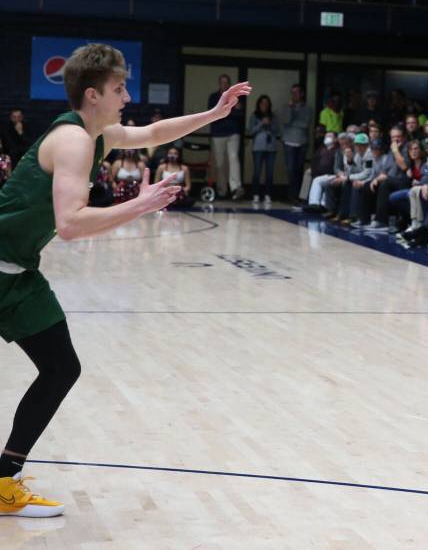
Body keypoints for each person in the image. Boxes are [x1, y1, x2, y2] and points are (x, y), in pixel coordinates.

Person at [0, 43, 249, 516]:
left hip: (18, 273)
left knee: (60, 369)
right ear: (92, 95)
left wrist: (214, 113)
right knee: (59, 370)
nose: (127, 96)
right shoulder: (74, 140)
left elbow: (154, 131)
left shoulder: (99, 134)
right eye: (119, 88)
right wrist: (141, 204)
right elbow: (70, 224)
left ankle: (2, 481)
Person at [207, 74, 246, 200]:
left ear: (229, 84)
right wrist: (230, 111)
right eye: (222, 82)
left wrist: (226, 112)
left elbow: (240, 115)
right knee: (219, 163)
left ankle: (236, 188)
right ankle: (222, 190)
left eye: (226, 82)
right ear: (219, 83)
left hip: (233, 133)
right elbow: (213, 114)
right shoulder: (213, 97)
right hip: (218, 133)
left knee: (233, 158)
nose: (224, 85)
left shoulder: (235, 97)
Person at [280, 84, 312, 202]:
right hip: (288, 141)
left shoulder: (307, 108)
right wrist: (290, 109)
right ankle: (291, 195)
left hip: (302, 141)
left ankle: (299, 196)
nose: (294, 95)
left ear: (302, 94)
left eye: (296, 92)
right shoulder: (286, 107)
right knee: (290, 169)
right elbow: (285, 120)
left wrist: (292, 123)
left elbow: (305, 124)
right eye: (292, 92)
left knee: (299, 169)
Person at [249, 95, 279, 204]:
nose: (264, 105)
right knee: (257, 172)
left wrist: (270, 124)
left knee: (270, 173)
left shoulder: (273, 116)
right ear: (259, 104)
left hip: (271, 148)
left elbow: (277, 131)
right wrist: (261, 123)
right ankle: (255, 194)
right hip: (258, 148)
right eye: (262, 103)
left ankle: (268, 195)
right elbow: (251, 131)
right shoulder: (254, 116)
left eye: (266, 103)